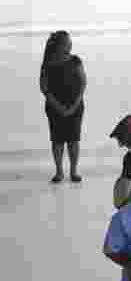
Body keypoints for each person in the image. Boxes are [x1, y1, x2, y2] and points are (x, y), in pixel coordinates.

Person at [40, 30, 86, 184]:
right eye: (67, 42)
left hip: (76, 107)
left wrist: (74, 105)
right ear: (59, 45)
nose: (70, 44)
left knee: (73, 140)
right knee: (57, 141)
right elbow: (44, 88)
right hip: (54, 108)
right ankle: (59, 171)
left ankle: (74, 171)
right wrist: (58, 107)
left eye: (70, 41)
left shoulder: (76, 61)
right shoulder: (48, 63)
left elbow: (83, 83)